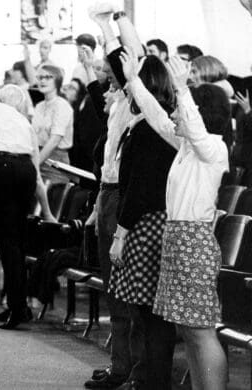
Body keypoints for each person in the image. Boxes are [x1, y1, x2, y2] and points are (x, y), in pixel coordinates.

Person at [123, 52, 230, 390]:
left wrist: (183, 90)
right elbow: (155, 116)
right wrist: (133, 81)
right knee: (187, 329)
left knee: (200, 331)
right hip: (175, 239)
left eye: (183, 109)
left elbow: (195, 130)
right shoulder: (185, 144)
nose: (174, 113)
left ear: (201, 113)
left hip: (194, 242)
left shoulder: (212, 147)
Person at [84, 4, 147, 389]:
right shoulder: (116, 104)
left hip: (124, 196)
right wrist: (95, 206)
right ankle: (120, 365)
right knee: (112, 287)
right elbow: (107, 162)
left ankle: (135, 369)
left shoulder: (135, 99)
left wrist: (110, 23)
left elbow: (128, 58)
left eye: (111, 76)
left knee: (128, 288)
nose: (107, 80)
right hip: (108, 194)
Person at [108, 48, 178, 390]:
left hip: (146, 224)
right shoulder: (158, 125)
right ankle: (149, 379)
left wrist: (120, 234)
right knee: (151, 315)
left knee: (151, 316)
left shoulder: (152, 128)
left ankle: (153, 383)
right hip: (154, 222)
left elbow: (140, 188)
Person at [0, 84, 54, 329]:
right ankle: (16, 304)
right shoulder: (25, 123)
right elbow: (35, 168)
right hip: (24, 171)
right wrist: (46, 210)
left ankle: (17, 308)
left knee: (7, 241)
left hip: (3, 167)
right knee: (16, 240)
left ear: (1, 98)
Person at [32, 64, 73, 184]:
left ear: (57, 80)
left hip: (56, 164)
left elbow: (55, 140)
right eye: (39, 77)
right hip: (37, 157)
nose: (42, 80)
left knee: (52, 201)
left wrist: (34, 163)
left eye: (48, 77)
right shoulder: (39, 106)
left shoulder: (62, 105)